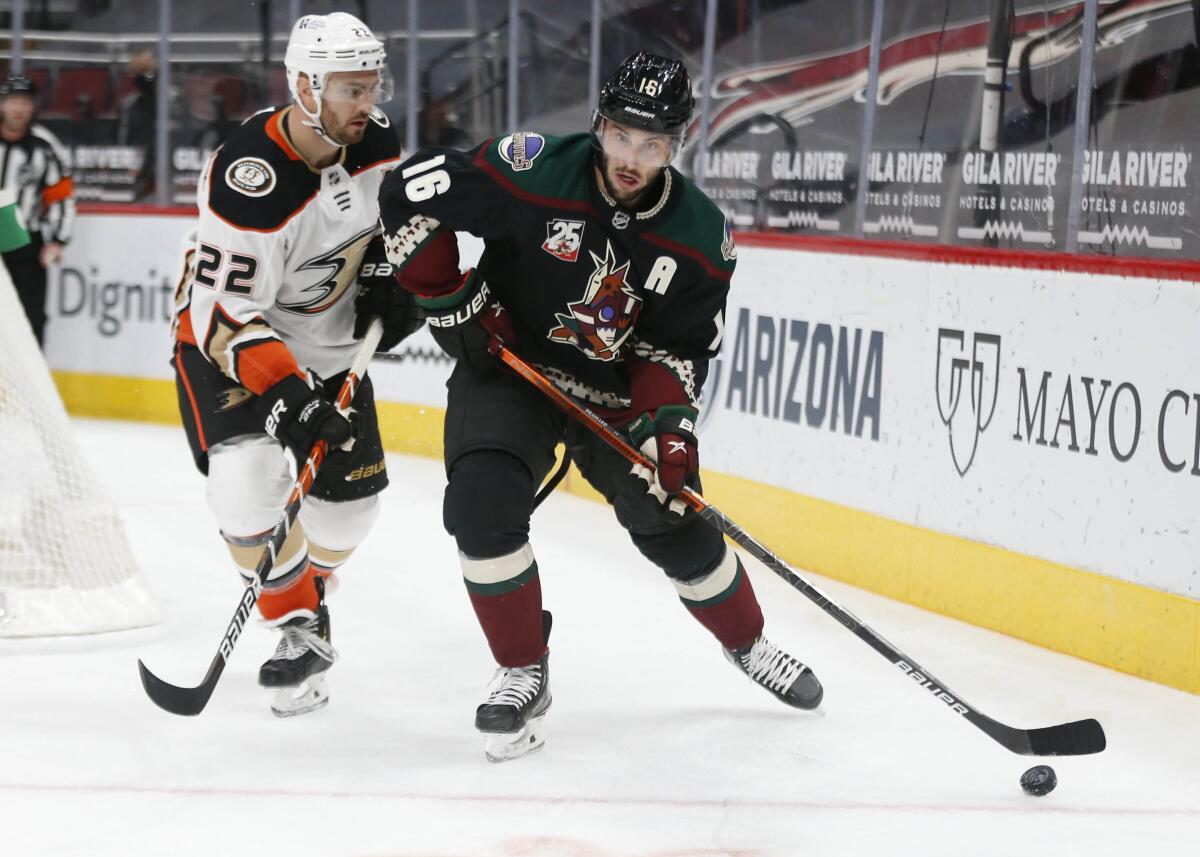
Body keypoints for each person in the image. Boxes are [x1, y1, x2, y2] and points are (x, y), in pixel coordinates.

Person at [378, 51, 822, 762]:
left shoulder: (702, 238)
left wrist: (669, 435)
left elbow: (675, 354)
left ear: (679, 143)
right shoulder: (530, 170)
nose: (631, 158)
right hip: (510, 366)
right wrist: (446, 294)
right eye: (621, 136)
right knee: (480, 508)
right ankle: (523, 666)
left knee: (677, 525)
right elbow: (405, 190)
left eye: (652, 144)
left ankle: (748, 642)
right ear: (599, 124)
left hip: (616, 397)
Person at [171, 12, 421, 717]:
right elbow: (223, 316)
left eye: (372, 85)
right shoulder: (250, 177)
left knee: (346, 517)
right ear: (306, 88)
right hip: (231, 342)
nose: (366, 102)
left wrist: (393, 276)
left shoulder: (373, 141)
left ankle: (302, 589)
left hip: (331, 342)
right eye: (350, 87)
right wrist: (284, 392)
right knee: (244, 484)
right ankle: (297, 625)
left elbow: (386, 226)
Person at [0, 72, 75, 348]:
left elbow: (62, 195)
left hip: (24, 241)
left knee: (30, 319)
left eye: (25, 102)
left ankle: (27, 390)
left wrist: (57, 241)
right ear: (3, 104)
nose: (19, 108)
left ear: (33, 106)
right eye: (13, 101)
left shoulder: (44, 145)